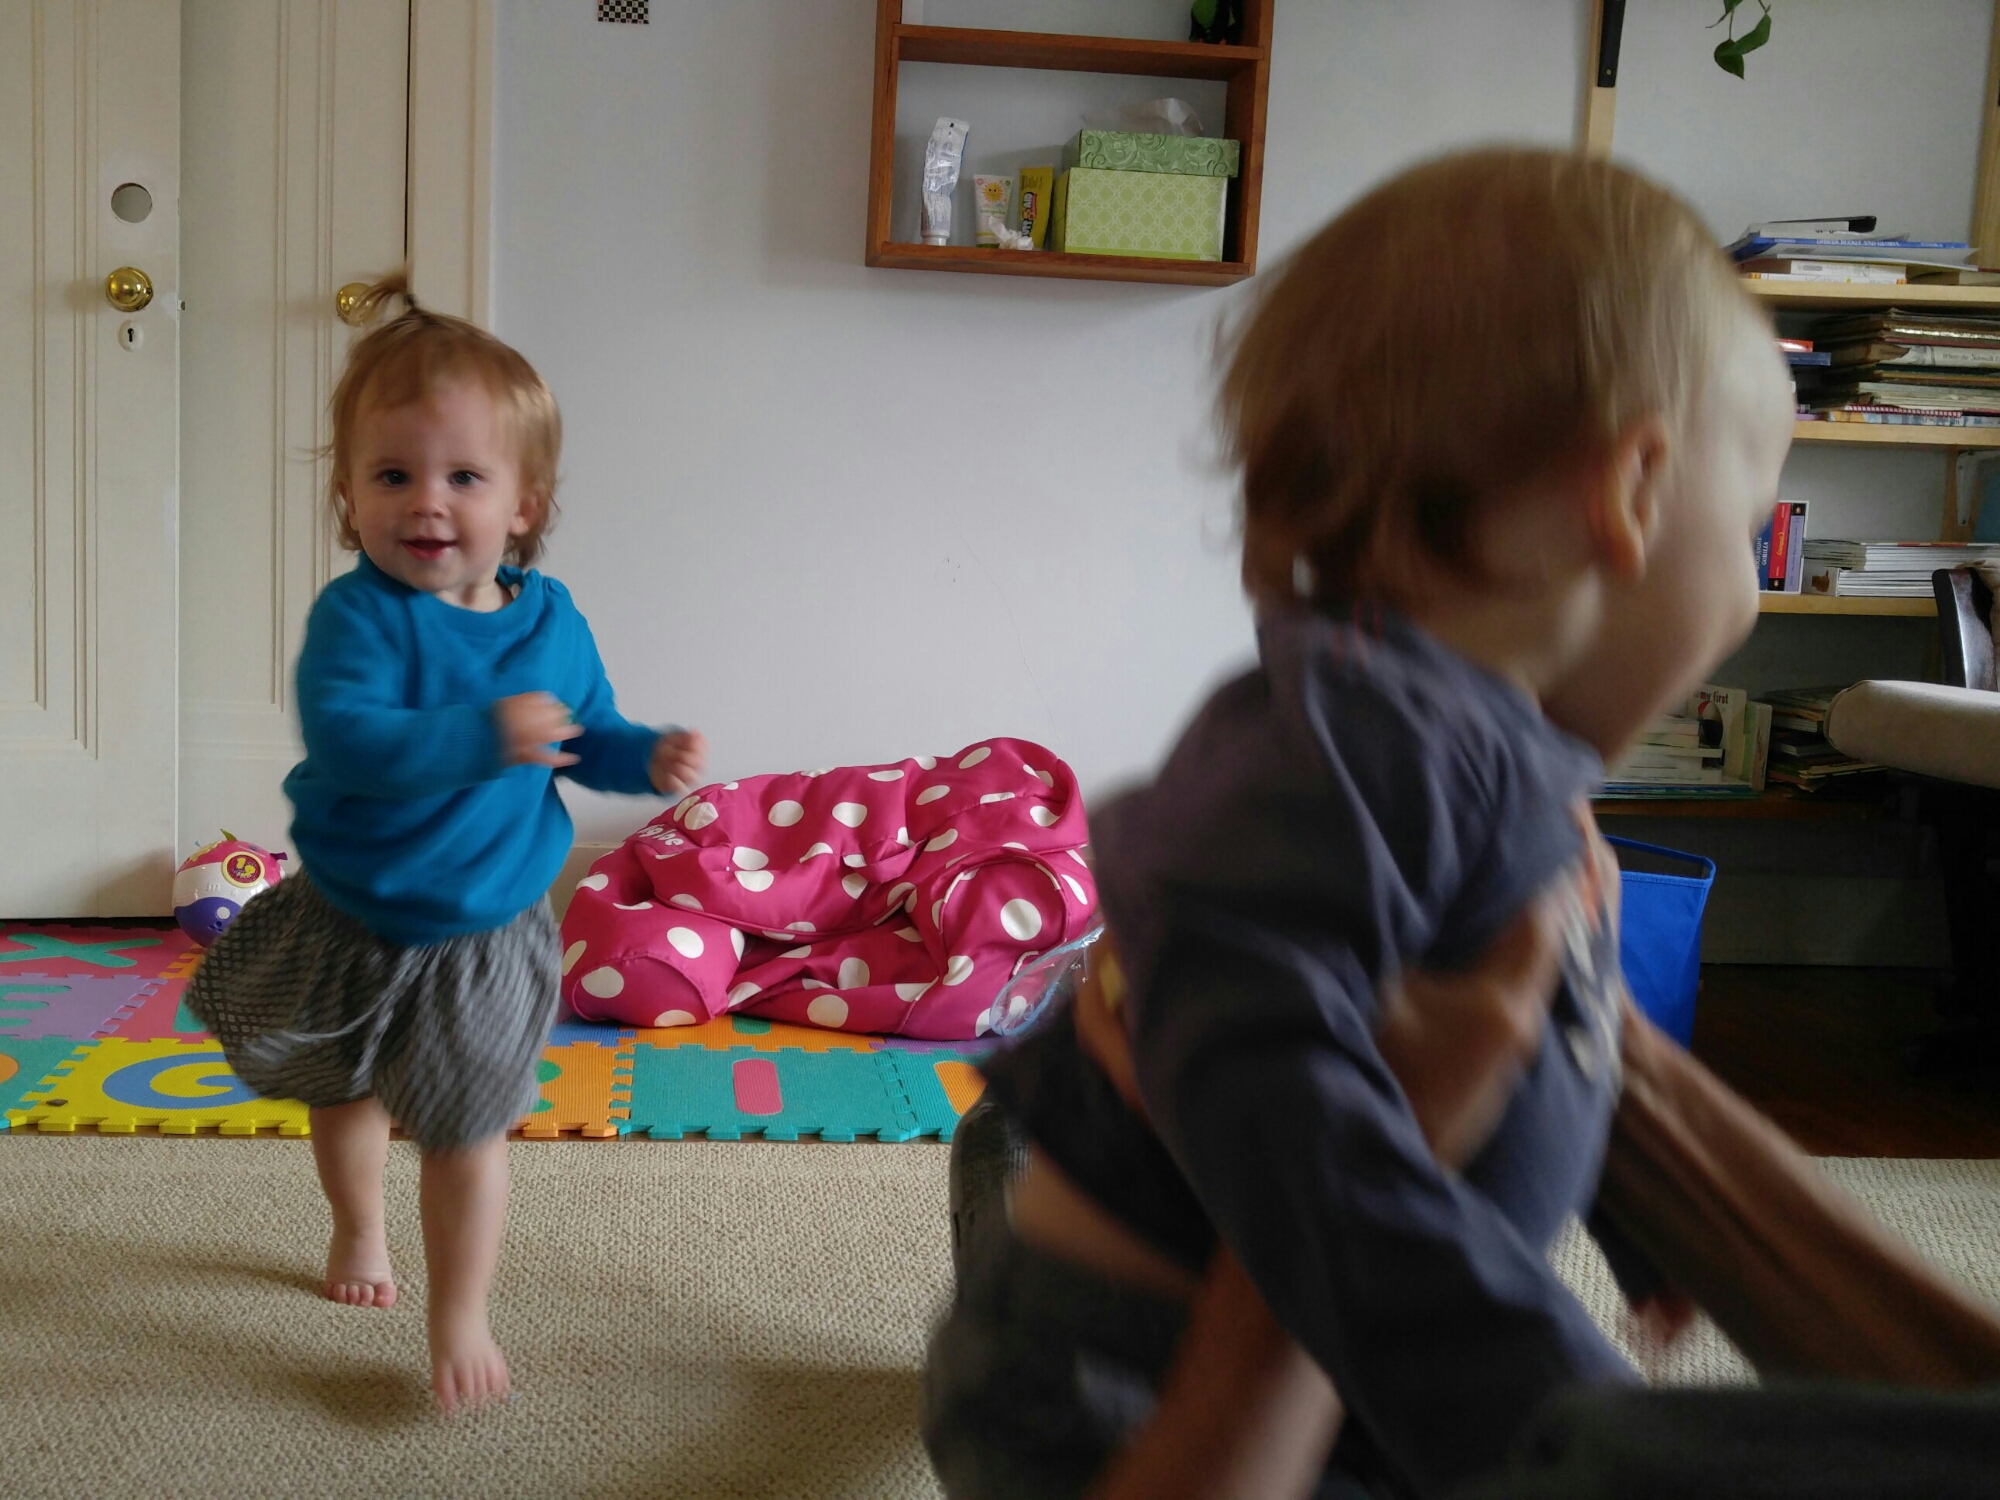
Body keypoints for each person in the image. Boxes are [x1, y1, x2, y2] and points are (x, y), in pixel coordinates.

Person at [923, 146, 1800, 1498]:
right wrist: (1538, 1383)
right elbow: (1262, 1075)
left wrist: (1635, 1223)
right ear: (1632, 492)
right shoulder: (1376, 737)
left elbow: (1540, 1043)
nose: (1745, 589)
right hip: (1125, 1380)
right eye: (1747, 526)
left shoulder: (1476, 750)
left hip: (1305, 1358)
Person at [187, 273, 707, 1412]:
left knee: (468, 1130)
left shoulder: (553, 620)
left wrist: (643, 759)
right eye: (392, 476)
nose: (426, 503)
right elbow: (352, 740)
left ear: (524, 503)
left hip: (484, 931)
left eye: (463, 477)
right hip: (353, 912)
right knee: (345, 1092)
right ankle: (357, 1225)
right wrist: (483, 734)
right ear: (348, 496)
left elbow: (584, 734)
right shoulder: (357, 618)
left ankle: (459, 1310)